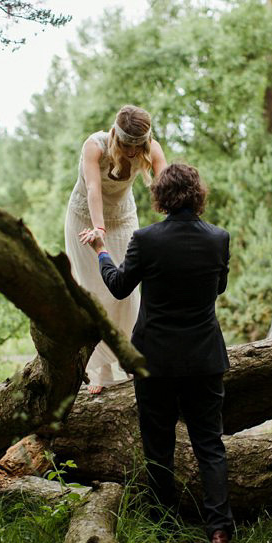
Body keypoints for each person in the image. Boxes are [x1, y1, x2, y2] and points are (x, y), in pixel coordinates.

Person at [81, 164, 238, 543]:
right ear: (198, 195)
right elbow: (218, 288)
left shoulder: (145, 239)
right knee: (210, 446)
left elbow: (118, 285)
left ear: (161, 198)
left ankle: (165, 534)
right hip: (204, 358)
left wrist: (101, 249)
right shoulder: (218, 239)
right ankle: (219, 535)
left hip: (155, 361)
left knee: (159, 450)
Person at [65, 104, 167, 394]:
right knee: (93, 290)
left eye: (139, 146)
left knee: (126, 292)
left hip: (123, 218)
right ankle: (101, 370)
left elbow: (167, 186)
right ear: (116, 137)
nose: (134, 153)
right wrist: (98, 229)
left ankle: (128, 359)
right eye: (127, 146)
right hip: (85, 218)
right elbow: (94, 189)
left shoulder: (152, 149)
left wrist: (177, 225)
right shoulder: (94, 147)